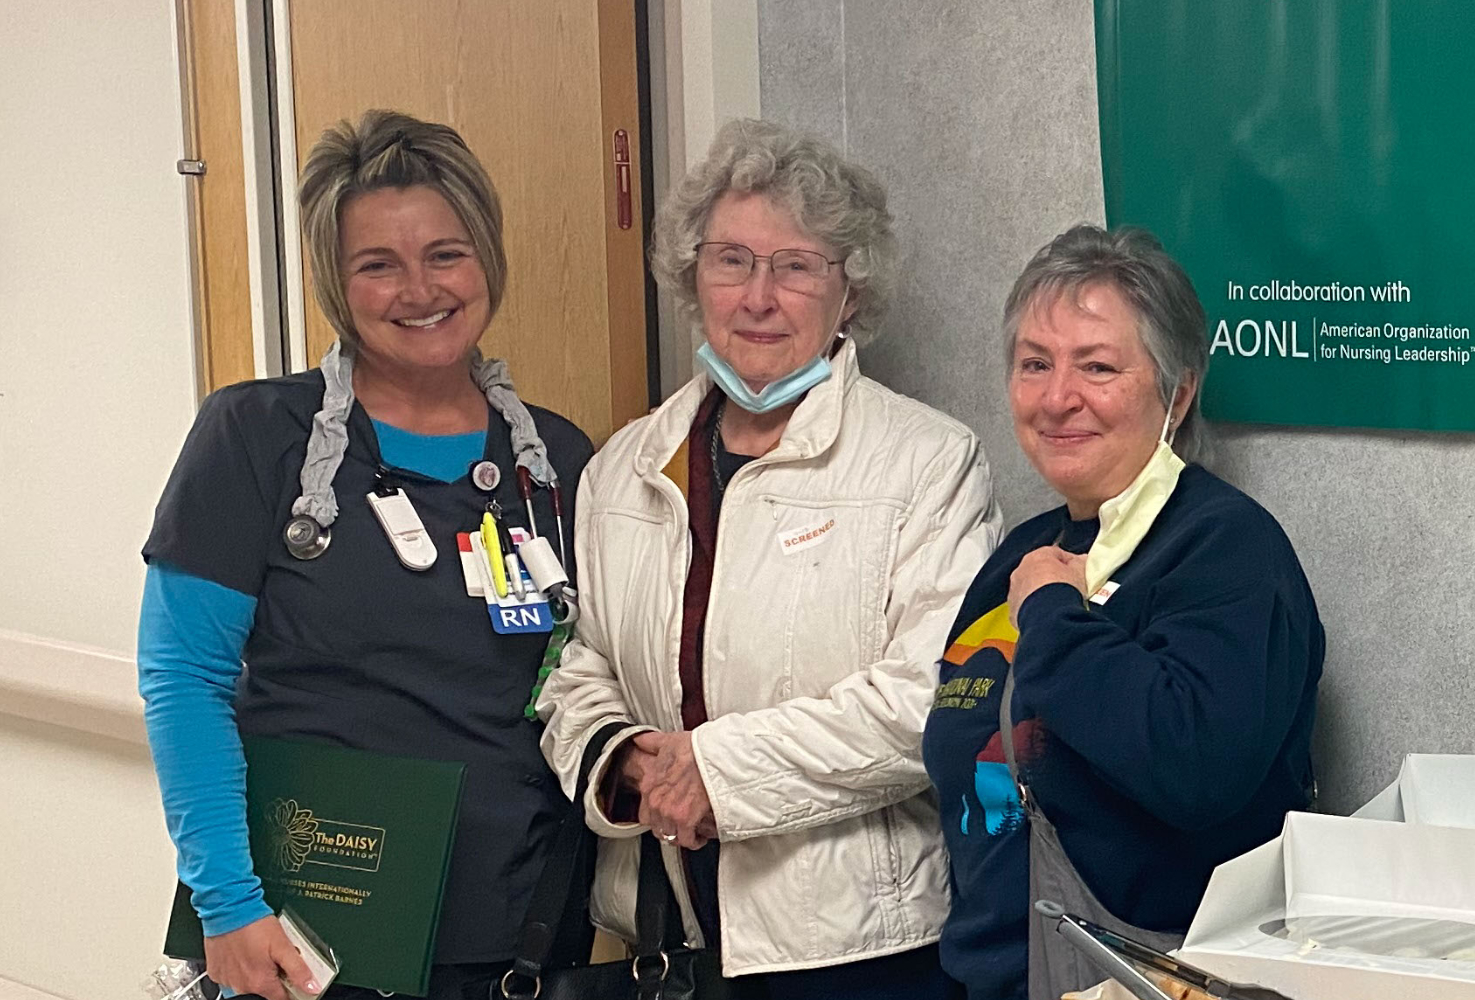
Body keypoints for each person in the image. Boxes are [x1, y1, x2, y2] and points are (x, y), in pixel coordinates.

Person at [536, 119, 1000, 998]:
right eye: (731, 261)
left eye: (796, 267)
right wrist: (626, 758)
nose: (758, 296)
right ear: (691, 276)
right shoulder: (622, 468)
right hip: (665, 936)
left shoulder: (930, 462)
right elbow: (569, 658)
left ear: (849, 293)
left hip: (860, 952)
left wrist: (717, 772)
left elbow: (930, 699)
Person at [138, 110, 594, 1000]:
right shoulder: (256, 438)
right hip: (305, 940)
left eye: (445, 255)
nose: (418, 289)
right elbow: (182, 680)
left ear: (487, 260)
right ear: (336, 286)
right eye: (376, 265)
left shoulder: (560, 463)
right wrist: (227, 905)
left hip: (525, 933)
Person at [923, 224, 1324, 1000]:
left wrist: (1052, 613)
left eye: (1097, 367)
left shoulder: (1226, 551)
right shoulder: (1021, 554)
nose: (1057, 397)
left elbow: (1192, 766)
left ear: (1177, 392)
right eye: (1034, 364)